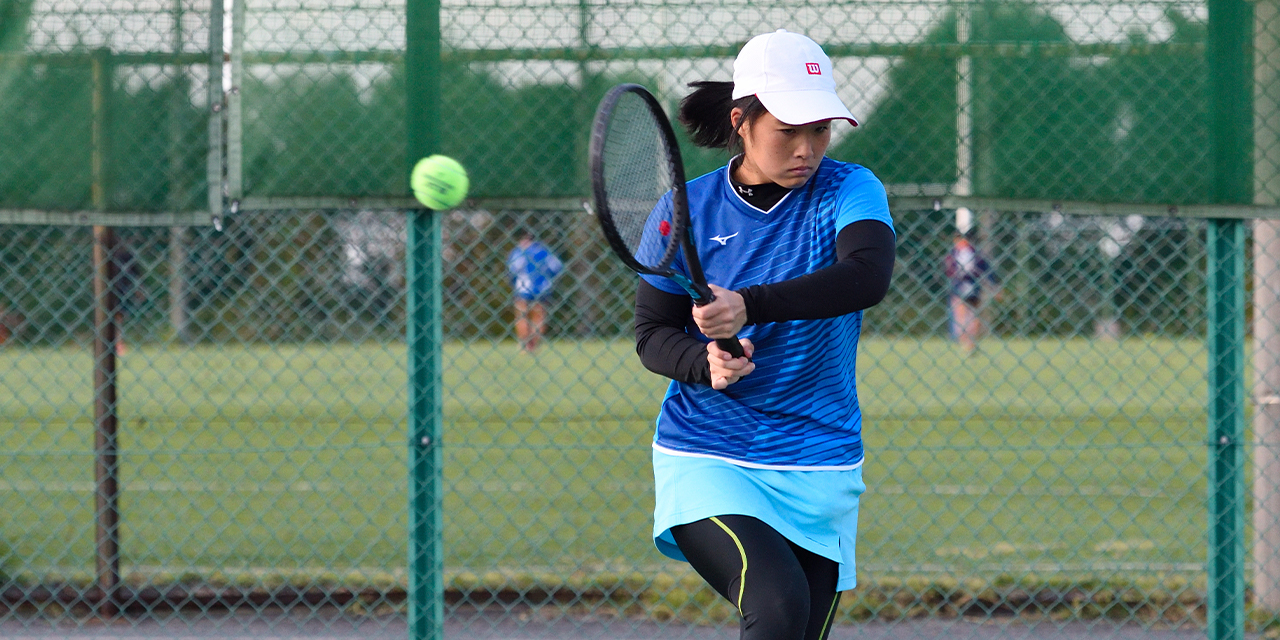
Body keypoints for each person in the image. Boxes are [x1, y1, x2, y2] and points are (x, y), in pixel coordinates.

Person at [633, 29, 896, 640]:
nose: (807, 148)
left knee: (801, 628)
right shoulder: (684, 210)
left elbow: (866, 276)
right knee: (776, 612)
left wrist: (747, 305)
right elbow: (653, 334)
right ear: (741, 122)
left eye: (821, 129)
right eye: (788, 130)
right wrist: (705, 366)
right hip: (709, 454)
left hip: (820, 457)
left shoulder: (852, 188)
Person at [505, 230, 563, 353]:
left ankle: (524, 344)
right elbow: (556, 267)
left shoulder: (519, 252)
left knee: (521, 315)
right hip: (542, 288)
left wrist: (512, 281)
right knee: (539, 317)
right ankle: (533, 344)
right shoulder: (544, 251)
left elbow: (512, 269)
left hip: (523, 287)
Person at [944, 232, 998, 355]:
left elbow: (986, 270)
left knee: (972, 316)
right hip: (958, 286)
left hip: (973, 286)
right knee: (960, 314)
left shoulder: (975, 254)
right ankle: (964, 341)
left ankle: (970, 340)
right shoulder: (953, 254)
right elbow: (949, 269)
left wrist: (993, 286)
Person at [111, 245, 143, 356]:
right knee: (111, 317)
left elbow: (136, 274)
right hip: (109, 289)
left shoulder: (127, 256)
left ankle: (118, 343)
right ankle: (114, 343)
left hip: (122, 290)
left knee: (118, 317)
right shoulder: (108, 255)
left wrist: (139, 289)